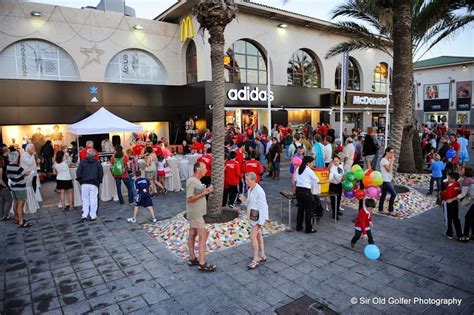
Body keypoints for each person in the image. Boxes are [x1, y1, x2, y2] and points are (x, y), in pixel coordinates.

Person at [186, 161, 216, 272]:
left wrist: (206, 191)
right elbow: (189, 199)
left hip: (195, 213)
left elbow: (195, 195)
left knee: (192, 234)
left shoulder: (196, 181)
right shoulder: (192, 181)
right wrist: (204, 193)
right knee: (203, 236)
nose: (206, 170)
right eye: (204, 168)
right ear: (198, 169)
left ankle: (193, 258)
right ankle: (202, 263)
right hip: (196, 214)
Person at [239, 172, 269, 270]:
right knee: (258, 236)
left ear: (253, 180)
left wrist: (262, 221)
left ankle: (256, 259)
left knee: (253, 237)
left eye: (247, 180)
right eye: (245, 179)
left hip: (258, 218)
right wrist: (244, 200)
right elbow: (250, 203)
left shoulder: (260, 191)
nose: (246, 181)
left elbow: (263, 206)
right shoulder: (250, 189)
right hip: (253, 216)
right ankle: (262, 255)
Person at [76, 149, 103, 221]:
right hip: (94, 183)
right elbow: (100, 172)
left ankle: (84, 214)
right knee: (93, 199)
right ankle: (93, 215)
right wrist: (99, 181)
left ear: (87, 154)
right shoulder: (97, 163)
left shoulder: (82, 162)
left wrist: (80, 180)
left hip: (84, 183)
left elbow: (78, 172)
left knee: (85, 199)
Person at [6, 150, 31, 227]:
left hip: (13, 187)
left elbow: (10, 176)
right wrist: (28, 173)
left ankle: (16, 218)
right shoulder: (18, 167)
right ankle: (21, 222)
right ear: (15, 158)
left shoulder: (8, 166)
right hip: (20, 188)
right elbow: (26, 173)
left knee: (15, 203)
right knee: (20, 205)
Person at [295, 156, 319, 233]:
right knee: (308, 211)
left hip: (298, 191)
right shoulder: (309, 171)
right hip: (306, 192)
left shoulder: (298, 169)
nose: (313, 164)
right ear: (308, 163)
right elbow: (317, 180)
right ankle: (308, 229)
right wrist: (328, 181)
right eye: (312, 163)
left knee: (300, 209)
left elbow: (296, 180)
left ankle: (298, 226)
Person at [440, 172, 462, 240]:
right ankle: (459, 233)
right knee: (456, 218)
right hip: (455, 202)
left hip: (448, 202)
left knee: (448, 218)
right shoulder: (457, 184)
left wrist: (441, 193)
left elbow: (447, 195)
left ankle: (449, 233)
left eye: (448, 178)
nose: (447, 178)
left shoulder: (450, 186)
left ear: (453, 179)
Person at [378, 147, 398, 215]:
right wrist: (392, 161)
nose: (392, 154)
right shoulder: (384, 160)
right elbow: (388, 170)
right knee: (394, 194)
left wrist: (392, 179)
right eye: (391, 152)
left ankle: (380, 209)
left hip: (387, 180)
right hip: (385, 180)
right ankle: (390, 210)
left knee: (383, 195)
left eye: (393, 152)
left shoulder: (387, 160)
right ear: (387, 152)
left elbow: (390, 172)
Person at [458, 167, 474, 242]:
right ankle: (473, 235)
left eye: (461, 170)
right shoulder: (469, 179)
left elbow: (463, 194)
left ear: (465, 173)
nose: (460, 170)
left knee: (468, 217)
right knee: (471, 218)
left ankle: (465, 236)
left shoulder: (466, 181)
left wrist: (453, 198)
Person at [329, 156, 344, 220]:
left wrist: (343, 178)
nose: (336, 162)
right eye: (334, 161)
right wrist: (331, 179)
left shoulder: (341, 166)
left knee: (339, 199)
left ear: (339, 161)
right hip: (333, 185)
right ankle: (334, 214)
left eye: (337, 161)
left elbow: (342, 174)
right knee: (334, 200)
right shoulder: (332, 168)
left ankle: (337, 211)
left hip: (339, 184)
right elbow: (331, 176)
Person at [0, 147, 13, 221]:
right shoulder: (1, 166)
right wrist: (6, 186)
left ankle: (2, 216)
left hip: (2, 185)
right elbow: (0, 179)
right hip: (3, 185)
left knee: (2, 201)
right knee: (9, 200)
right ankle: (5, 215)